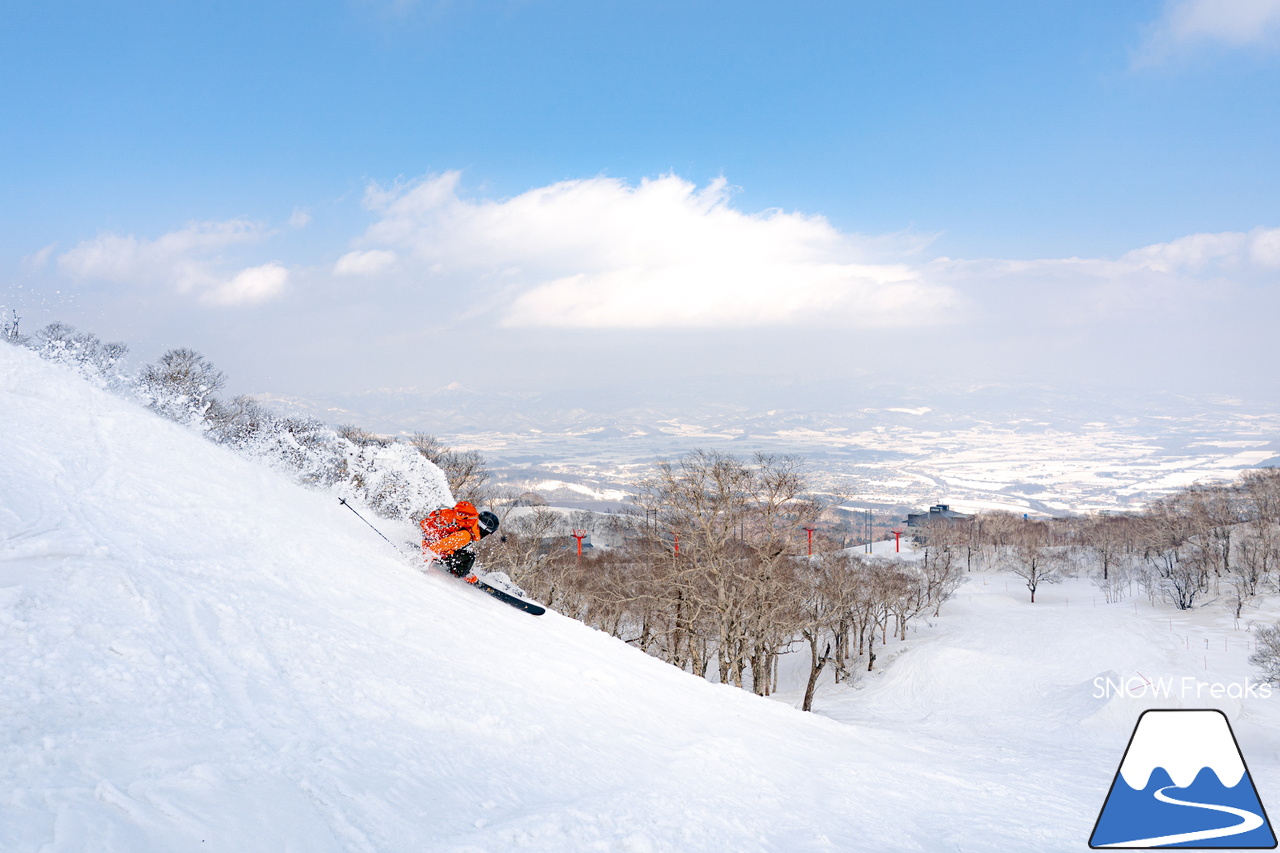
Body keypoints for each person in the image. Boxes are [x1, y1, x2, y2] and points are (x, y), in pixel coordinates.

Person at [420, 500, 500, 579]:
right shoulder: (465, 535)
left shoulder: (468, 525)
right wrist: (423, 561)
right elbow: (438, 546)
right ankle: (461, 574)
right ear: (484, 529)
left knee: (465, 554)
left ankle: (458, 569)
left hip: (431, 540)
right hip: (429, 544)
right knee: (470, 557)